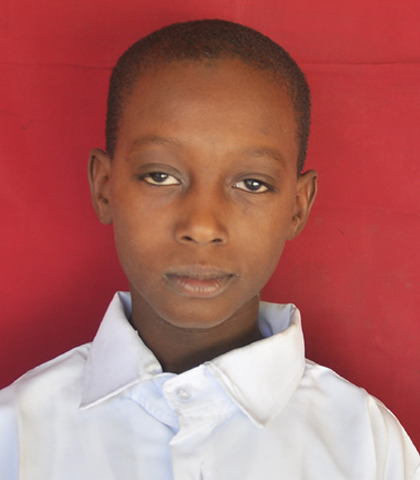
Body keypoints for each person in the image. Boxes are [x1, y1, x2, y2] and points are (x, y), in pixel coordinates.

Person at [0, 19, 418, 480]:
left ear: (297, 207)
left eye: (252, 183)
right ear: (104, 187)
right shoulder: (16, 434)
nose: (202, 227)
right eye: (161, 176)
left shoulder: (366, 445)